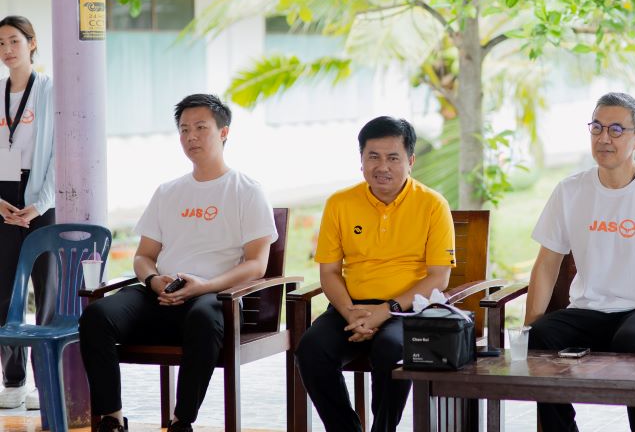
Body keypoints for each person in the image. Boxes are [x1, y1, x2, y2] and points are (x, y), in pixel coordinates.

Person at [78, 94, 277, 432]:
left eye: (201, 128)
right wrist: (153, 280)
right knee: (96, 316)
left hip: (215, 299)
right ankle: (112, 418)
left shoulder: (246, 190)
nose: (191, 137)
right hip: (161, 294)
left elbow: (257, 264)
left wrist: (205, 287)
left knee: (202, 317)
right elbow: (144, 256)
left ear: (224, 132)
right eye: (184, 130)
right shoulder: (168, 191)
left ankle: (181, 421)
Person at [525, 92, 635, 432]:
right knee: (540, 336)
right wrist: (528, 327)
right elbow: (547, 263)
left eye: (616, 129)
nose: (604, 138)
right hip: (588, 310)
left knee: (633, 340)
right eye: (597, 127)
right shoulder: (570, 190)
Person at [296, 116, 455, 432]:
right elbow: (329, 272)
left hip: (407, 310)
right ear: (361, 160)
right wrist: (352, 314)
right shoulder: (340, 203)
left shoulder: (433, 205)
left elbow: (439, 277)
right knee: (311, 349)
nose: (383, 167)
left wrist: (385, 311)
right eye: (374, 157)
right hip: (351, 308)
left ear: (410, 161)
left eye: (393, 158)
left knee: (391, 349)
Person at [0, 15, 56, 412]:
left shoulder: (49, 90)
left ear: (32, 43)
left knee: (46, 289)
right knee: (5, 292)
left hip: (40, 196)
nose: (7, 50)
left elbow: (59, 151)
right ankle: (14, 379)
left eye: (14, 41)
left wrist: (42, 202)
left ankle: (46, 378)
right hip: (3, 195)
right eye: (1, 43)